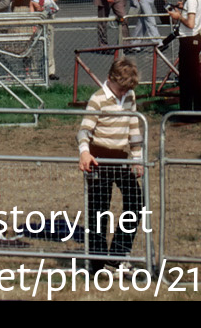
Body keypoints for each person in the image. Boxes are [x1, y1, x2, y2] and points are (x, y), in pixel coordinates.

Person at [77, 58, 145, 261]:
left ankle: (117, 254)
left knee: (135, 202)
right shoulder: (97, 99)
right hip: (98, 159)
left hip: (121, 158)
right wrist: (84, 152)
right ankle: (97, 262)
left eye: (127, 89)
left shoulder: (130, 96)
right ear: (109, 79)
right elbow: (84, 131)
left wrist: (137, 158)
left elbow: (134, 127)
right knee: (99, 210)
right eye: (120, 89)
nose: (123, 93)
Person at [167, 0, 201, 120]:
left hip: (188, 40)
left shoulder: (192, 0)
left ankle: (186, 112)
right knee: (194, 78)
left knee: (186, 79)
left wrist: (178, 16)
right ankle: (199, 111)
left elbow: (190, 23)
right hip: (196, 39)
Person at [26, 0, 65, 78]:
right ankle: (32, 69)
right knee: (33, 41)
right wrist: (33, 2)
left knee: (49, 40)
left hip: (47, 12)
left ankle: (50, 71)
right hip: (35, 13)